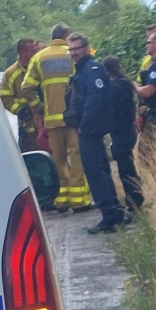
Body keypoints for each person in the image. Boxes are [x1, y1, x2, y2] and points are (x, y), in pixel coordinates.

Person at [23, 24, 90, 211]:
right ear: (66, 35)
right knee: (76, 156)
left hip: (52, 119)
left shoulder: (39, 57)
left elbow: (26, 88)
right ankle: (79, 200)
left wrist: (40, 108)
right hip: (74, 117)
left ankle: (62, 199)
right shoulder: (72, 55)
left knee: (58, 159)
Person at [67, 34, 128, 234]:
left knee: (95, 172)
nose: (73, 53)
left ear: (87, 48)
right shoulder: (83, 70)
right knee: (101, 169)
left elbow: (95, 100)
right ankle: (115, 212)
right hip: (90, 128)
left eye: (76, 48)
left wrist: (84, 125)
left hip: (90, 129)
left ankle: (109, 217)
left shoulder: (91, 70)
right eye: (71, 49)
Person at [102, 55, 143, 212]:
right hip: (128, 129)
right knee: (127, 165)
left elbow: (111, 109)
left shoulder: (117, 87)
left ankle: (134, 199)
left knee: (126, 168)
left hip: (122, 131)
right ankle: (134, 197)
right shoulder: (126, 84)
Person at [0, 38, 44, 152]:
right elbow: (5, 97)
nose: (37, 52)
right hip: (28, 126)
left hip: (47, 123)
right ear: (23, 53)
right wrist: (20, 111)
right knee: (32, 156)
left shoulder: (41, 66)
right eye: (33, 50)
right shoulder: (11, 73)